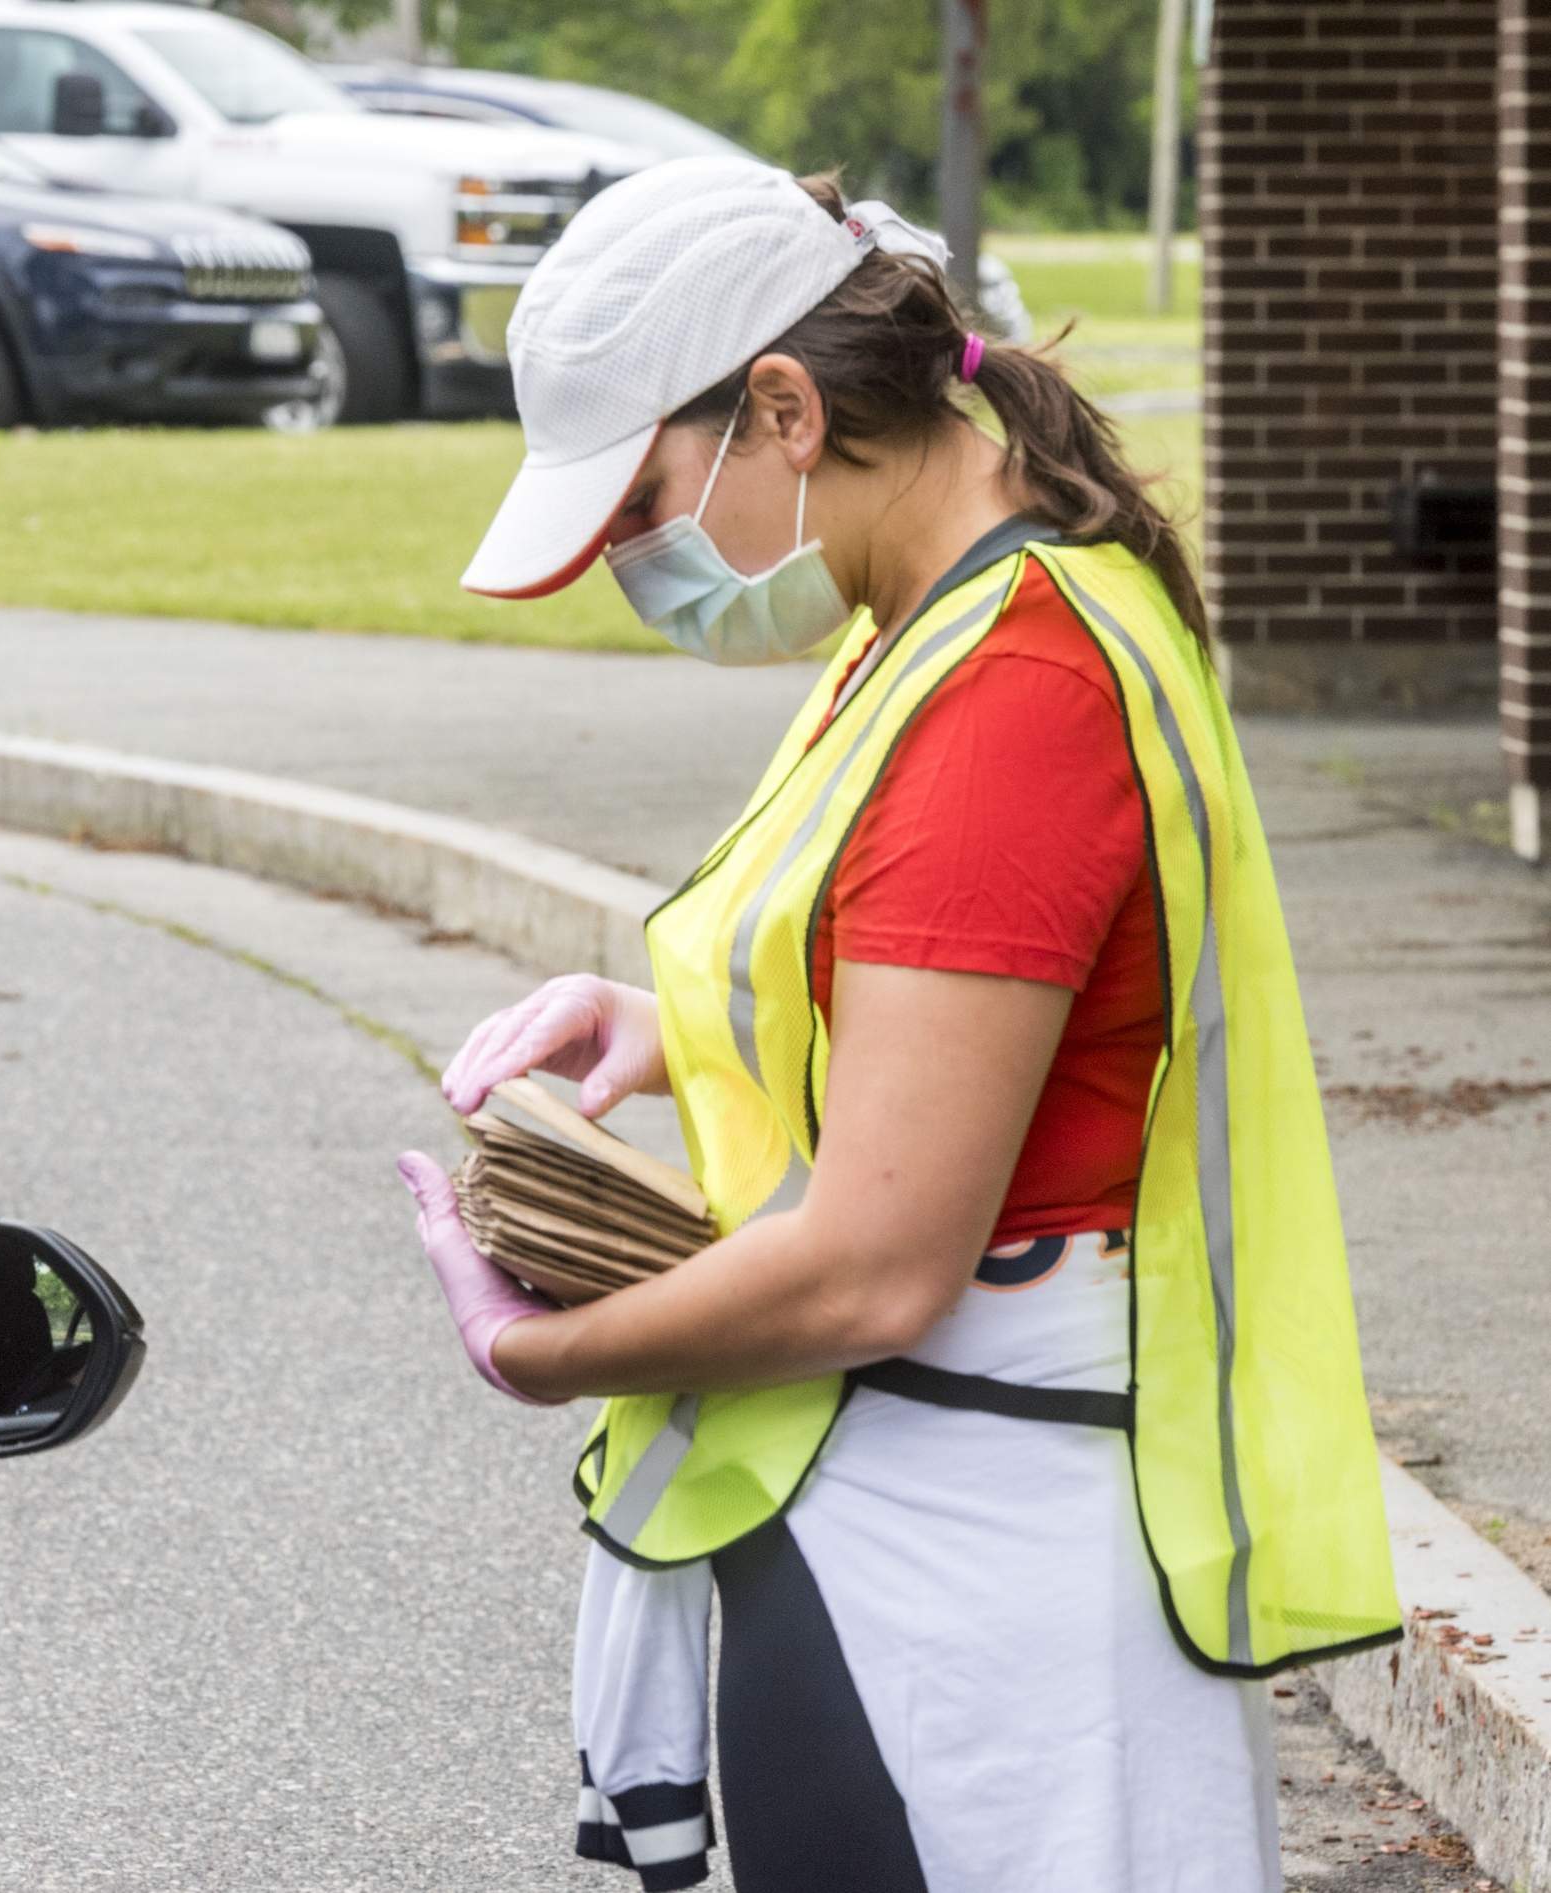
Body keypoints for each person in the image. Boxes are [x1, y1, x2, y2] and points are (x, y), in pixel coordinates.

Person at [394, 157, 1400, 1893]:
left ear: (785, 410)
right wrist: (668, 1022)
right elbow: (947, 978)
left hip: (973, 1581)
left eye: (639, 506)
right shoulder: (950, 615)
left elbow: (871, 1266)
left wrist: (538, 1350)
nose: (631, 563)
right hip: (948, 1530)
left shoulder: (1006, 690)